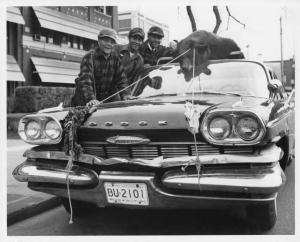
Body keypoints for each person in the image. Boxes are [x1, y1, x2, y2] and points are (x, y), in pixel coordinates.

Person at [73, 29, 131, 107]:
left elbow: (122, 79)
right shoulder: (89, 57)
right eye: (106, 40)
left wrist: (126, 94)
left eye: (112, 42)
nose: (109, 44)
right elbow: (85, 81)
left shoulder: (115, 58)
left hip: (106, 100)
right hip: (85, 100)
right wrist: (91, 99)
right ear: (99, 40)